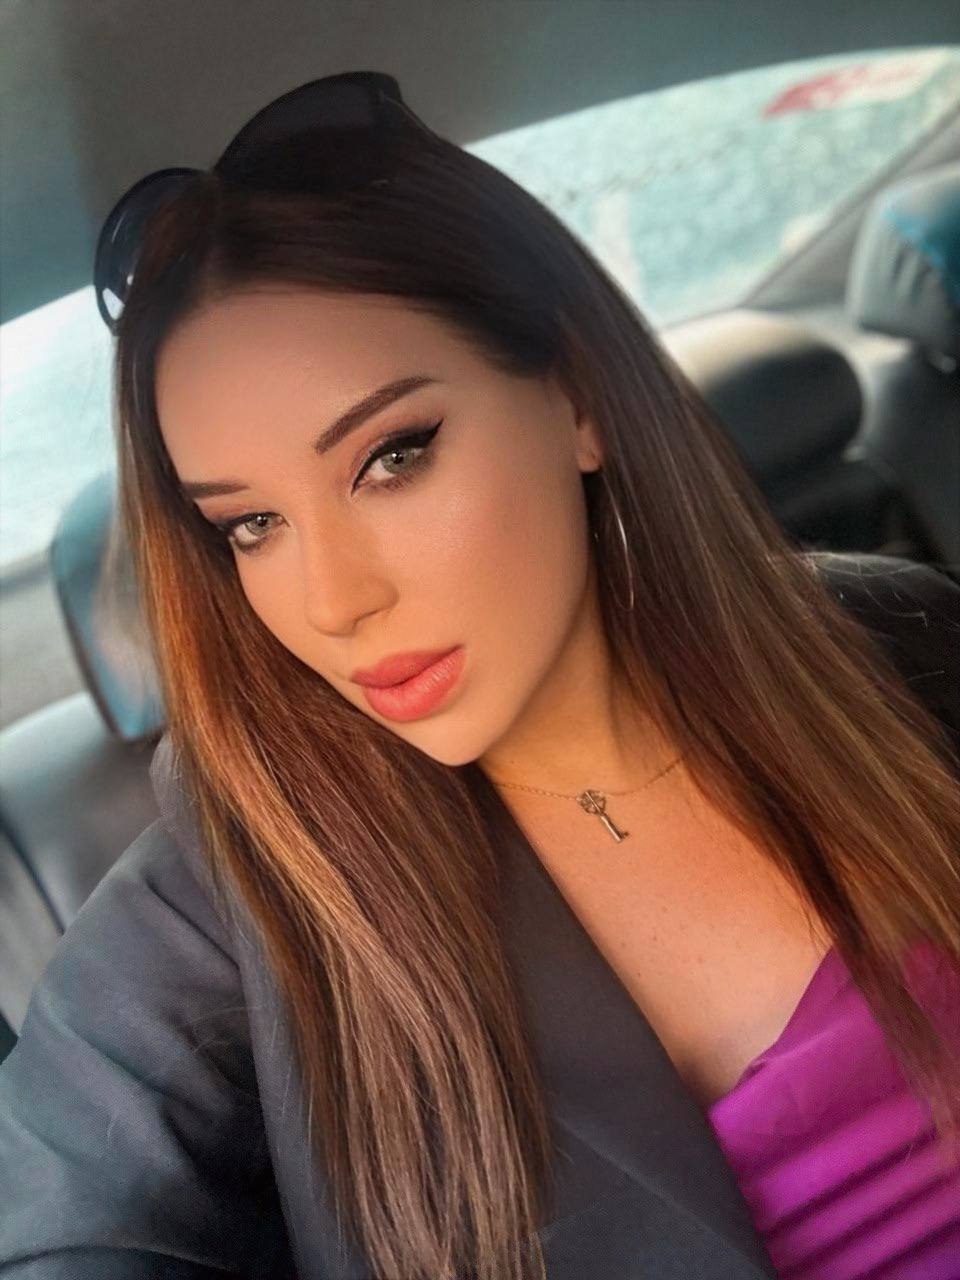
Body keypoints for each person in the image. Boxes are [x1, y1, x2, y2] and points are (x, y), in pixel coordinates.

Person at [1, 71, 958, 1280]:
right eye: (251, 525)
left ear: (578, 398)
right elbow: (64, 1225)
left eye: (392, 457)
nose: (334, 600)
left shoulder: (899, 642)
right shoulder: (237, 888)